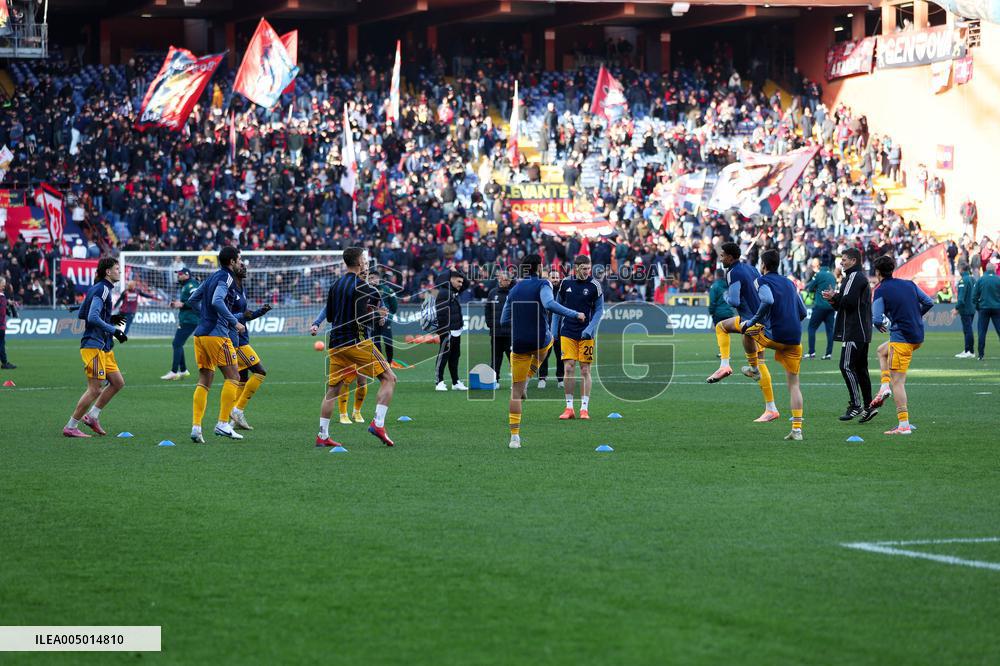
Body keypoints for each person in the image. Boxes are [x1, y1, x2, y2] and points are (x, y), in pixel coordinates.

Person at [311, 246, 397, 447]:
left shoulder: (336, 285)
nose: (366, 263)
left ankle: (322, 435)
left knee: (333, 390)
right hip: (356, 342)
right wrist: (378, 315)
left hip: (335, 344)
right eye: (365, 260)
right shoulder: (362, 286)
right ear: (359, 262)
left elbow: (331, 317)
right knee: (389, 378)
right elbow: (362, 318)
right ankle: (378, 424)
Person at [500, 254, 584, 449]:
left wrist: (521, 322)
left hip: (518, 343)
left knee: (515, 393)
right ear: (538, 267)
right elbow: (549, 304)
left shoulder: (514, 289)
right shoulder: (543, 284)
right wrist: (574, 314)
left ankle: (514, 438)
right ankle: (530, 377)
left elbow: (504, 320)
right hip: (539, 340)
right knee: (550, 340)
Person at [706, 242, 779, 424]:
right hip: (763, 320)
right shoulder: (751, 269)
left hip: (750, 321)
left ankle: (725, 365)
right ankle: (771, 409)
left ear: (730, 257)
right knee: (760, 363)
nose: (721, 258)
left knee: (721, 327)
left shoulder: (732, 272)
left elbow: (734, 300)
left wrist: (725, 296)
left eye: (722, 256)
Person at [738, 249, 807, 441]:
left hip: (775, 336)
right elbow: (803, 313)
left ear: (764, 265)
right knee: (794, 384)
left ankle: (753, 368)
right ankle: (797, 430)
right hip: (795, 339)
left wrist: (754, 320)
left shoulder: (761, 280)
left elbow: (767, 300)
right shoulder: (790, 283)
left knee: (745, 329)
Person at [868, 255, 935, 435]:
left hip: (902, 338)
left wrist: (878, 324)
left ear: (878, 272)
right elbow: (929, 302)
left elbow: (876, 317)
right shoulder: (909, 284)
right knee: (882, 351)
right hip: (917, 336)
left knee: (898, 382)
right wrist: (914, 316)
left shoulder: (880, 290)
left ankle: (903, 425)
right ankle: (884, 386)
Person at [63, 257, 128, 438]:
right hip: (94, 346)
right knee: (95, 389)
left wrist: (108, 317)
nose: (119, 272)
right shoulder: (103, 289)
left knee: (117, 383)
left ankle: (92, 416)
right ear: (108, 272)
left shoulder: (97, 288)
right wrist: (114, 329)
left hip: (104, 347)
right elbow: (91, 317)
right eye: (117, 269)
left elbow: (83, 312)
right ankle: (71, 426)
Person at [187, 246, 247, 443]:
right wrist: (233, 321)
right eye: (239, 260)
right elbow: (217, 300)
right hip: (216, 335)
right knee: (234, 376)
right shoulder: (227, 278)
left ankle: (196, 427)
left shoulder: (212, 277)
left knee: (205, 379)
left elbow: (192, 299)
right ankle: (222, 424)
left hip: (200, 335)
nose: (241, 263)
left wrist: (205, 316)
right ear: (232, 262)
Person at [822, 248, 877, 422]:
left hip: (854, 330)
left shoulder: (855, 277)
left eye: (844, 259)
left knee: (846, 366)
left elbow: (849, 303)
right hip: (861, 330)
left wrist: (835, 296)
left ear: (853, 261)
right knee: (861, 370)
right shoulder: (853, 278)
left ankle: (856, 405)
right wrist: (833, 299)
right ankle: (869, 407)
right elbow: (842, 305)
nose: (841, 262)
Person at [554, 255, 605, 420]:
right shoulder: (565, 283)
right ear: (576, 268)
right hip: (567, 331)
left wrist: (590, 329)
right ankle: (569, 408)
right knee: (568, 368)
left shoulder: (594, 286)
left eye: (588, 268)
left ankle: (584, 408)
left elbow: (599, 311)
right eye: (583, 268)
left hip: (586, 334)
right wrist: (554, 330)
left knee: (585, 369)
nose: (587, 271)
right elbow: (557, 306)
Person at [226, 263, 272, 431]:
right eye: (240, 265)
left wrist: (261, 311)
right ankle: (237, 410)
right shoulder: (229, 289)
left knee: (242, 379)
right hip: (237, 340)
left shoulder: (241, 289)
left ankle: (232, 420)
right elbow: (226, 314)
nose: (244, 267)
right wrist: (240, 318)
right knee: (260, 372)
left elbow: (244, 315)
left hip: (242, 336)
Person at [161, 267, 199, 380]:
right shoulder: (186, 286)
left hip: (190, 319)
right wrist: (178, 304)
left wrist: (182, 304)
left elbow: (196, 300)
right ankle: (183, 370)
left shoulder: (191, 285)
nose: (178, 276)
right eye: (178, 274)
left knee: (176, 343)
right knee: (178, 344)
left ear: (187, 275)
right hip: (187, 319)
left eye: (181, 274)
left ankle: (174, 371)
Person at [434, 269, 468, 391]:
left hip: (456, 330)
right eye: (458, 281)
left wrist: (459, 272)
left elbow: (466, 284)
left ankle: (455, 382)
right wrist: (445, 330)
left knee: (455, 356)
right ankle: (439, 382)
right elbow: (442, 314)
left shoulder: (453, 291)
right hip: (448, 331)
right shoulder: (444, 292)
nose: (461, 284)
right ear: (451, 279)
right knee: (443, 356)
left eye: (461, 281)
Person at [537, 267, 565, 389]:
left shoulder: (563, 292)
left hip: (560, 329)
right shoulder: (543, 290)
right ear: (548, 278)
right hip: (545, 329)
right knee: (543, 355)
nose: (555, 280)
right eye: (552, 277)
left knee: (561, 355)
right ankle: (542, 378)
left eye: (557, 277)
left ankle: (561, 379)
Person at [485, 267, 514, 385]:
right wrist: (490, 324)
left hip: (510, 333)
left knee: (513, 359)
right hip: (496, 333)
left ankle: (515, 382)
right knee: (495, 359)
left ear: (510, 281)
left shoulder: (514, 293)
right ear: (499, 280)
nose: (504, 282)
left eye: (507, 280)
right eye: (503, 279)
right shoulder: (492, 293)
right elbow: (487, 310)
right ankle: (494, 380)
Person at [804, 260, 836, 359]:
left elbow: (810, 287)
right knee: (830, 331)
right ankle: (828, 354)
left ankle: (811, 352)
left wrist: (814, 288)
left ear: (820, 266)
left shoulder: (819, 274)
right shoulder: (832, 275)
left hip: (820, 306)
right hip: (831, 307)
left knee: (811, 328)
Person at [973, 259, 1000, 360]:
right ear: (994, 269)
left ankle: (981, 355)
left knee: (982, 332)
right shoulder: (998, 279)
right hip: (997, 308)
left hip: (984, 308)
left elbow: (974, 296)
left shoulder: (981, 279)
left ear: (985, 269)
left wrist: (978, 307)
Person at [371, 271, 398, 365]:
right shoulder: (368, 290)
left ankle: (390, 361)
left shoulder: (387, 290)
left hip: (386, 319)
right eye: (369, 278)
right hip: (373, 319)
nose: (371, 280)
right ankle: (380, 362)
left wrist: (388, 315)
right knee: (376, 341)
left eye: (373, 278)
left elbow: (394, 306)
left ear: (378, 278)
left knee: (388, 341)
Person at [954, 261, 976, 359]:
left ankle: (969, 351)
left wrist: (956, 308)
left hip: (965, 309)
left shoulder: (963, 281)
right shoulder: (972, 279)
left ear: (961, 269)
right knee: (968, 329)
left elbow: (961, 299)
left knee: (967, 330)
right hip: (972, 308)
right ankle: (968, 349)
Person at [0, 277, 17, 369]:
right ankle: (4, 363)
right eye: (3, 283)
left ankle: (4, 362)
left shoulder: (3, 297)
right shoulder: (1, 297)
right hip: (0, 326)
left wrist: (7, 303)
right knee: (1, 345)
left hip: (1, 325)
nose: (4, 285)